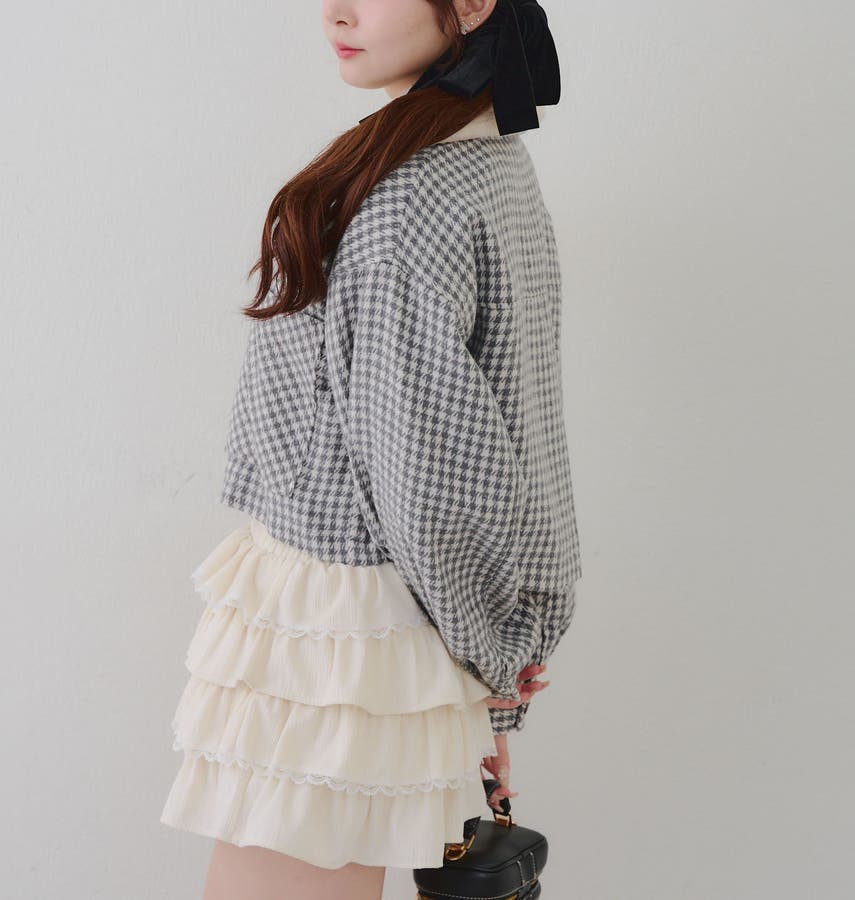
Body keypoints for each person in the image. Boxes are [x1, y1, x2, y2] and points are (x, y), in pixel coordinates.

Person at [159, 0, 582, 897]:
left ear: (473, 4)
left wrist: (489, 660)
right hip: (382, 633)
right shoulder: (487, 162)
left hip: (341, 636)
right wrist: (488, 668)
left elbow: (434, 472)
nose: (337, 12)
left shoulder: (407, 198)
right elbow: (513, 430)